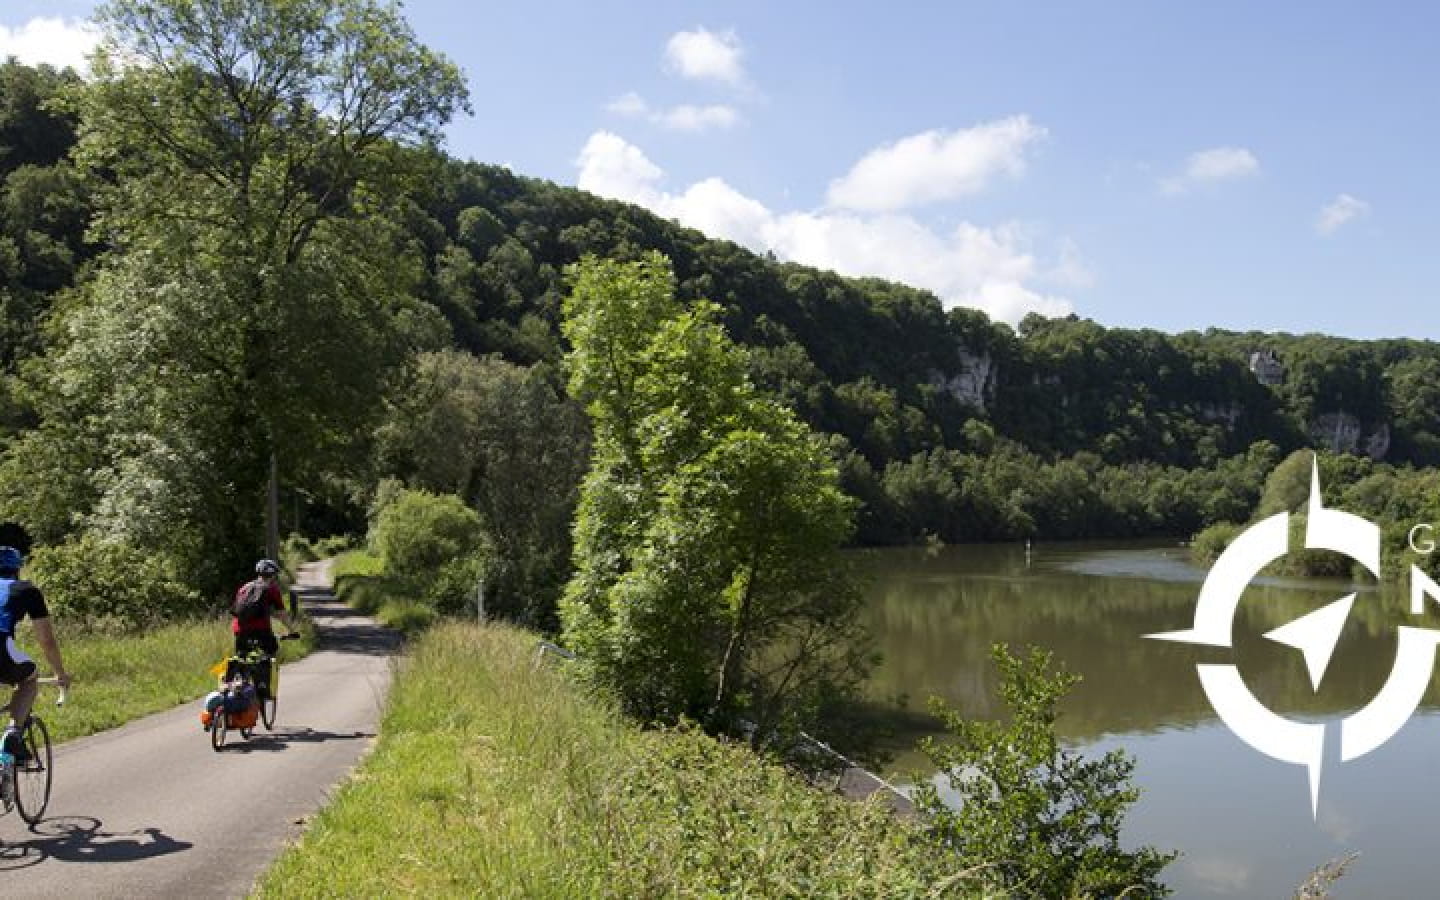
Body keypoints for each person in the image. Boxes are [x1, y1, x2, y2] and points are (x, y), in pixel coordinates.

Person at [0, 546, 69, 762]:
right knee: (30, 677)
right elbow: (46, 640)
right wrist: (60, 674)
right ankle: (13, 733)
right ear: (18, 569)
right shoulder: (26, 589)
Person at [232, 558, 299, 700]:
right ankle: (264, 688)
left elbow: (239, 610)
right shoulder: (271, 589)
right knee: (270, 651)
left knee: (241, 657)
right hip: (261, 630)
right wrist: (292, 631)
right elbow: (281, 614)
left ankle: (239, 683)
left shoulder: (244, 588)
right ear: (273, 575)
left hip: (240, 630)